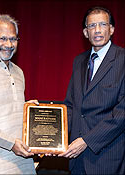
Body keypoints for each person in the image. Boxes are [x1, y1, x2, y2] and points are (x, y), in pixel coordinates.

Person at [58, 6, 125, 174]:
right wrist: (52, 137)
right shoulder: (79, 61)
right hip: (76, 158)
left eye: (102, 24)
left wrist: (87, 141)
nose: (97, 30)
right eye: (92, 26)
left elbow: (121, 114)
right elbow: (71, 106)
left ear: (111, 29)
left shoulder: (122, 60)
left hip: (107, 159)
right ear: (85, 32)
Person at [0, 14, 39, 174]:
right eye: (2, 38)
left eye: (13, 39)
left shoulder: (18, 72)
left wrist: (27, 110)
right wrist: (10, 144)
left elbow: (2, 109)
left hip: (24, 164)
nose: (9, 44)